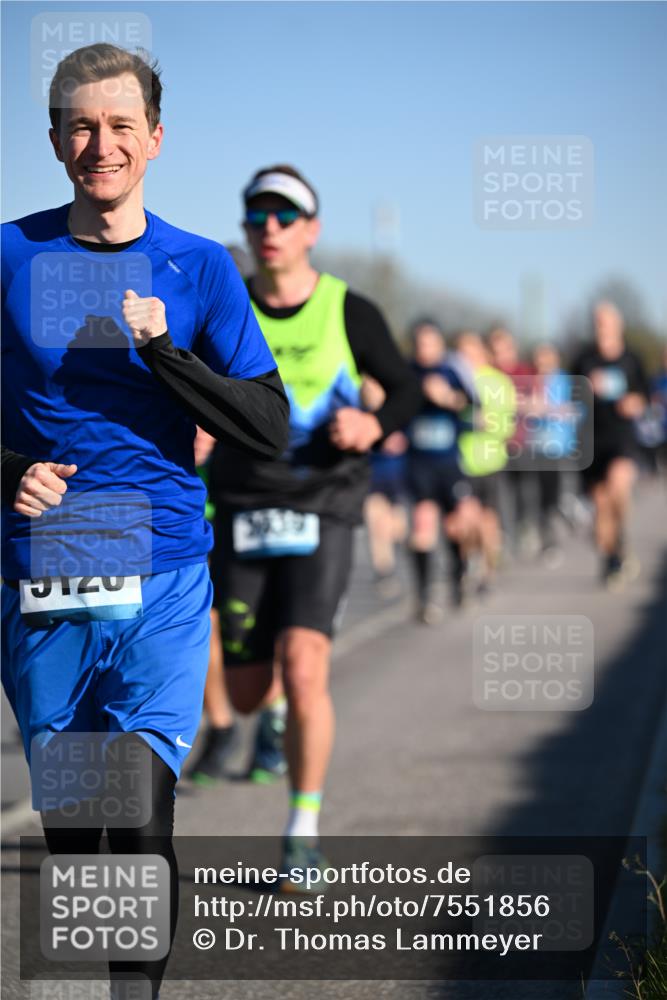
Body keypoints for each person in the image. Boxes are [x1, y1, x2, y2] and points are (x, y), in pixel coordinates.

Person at [1, 44, 288, 999]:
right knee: (77, 832)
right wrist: (9, 472)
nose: (102, 145)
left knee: (137, 811)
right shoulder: (8, 254)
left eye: (122, 126)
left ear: (155, 139)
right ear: (54, 141)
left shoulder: (199, 267)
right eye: (82, 127)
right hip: (40, 575)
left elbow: (267, 422)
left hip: (161, 569)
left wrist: (168, 352)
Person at [204, 164, 420, 884]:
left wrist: (373, 423)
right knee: (243, 691)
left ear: (312, 230)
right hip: (241, 502)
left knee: (304, 666)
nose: (270, 228)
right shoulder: (225, 304)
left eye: (285, 216)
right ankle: (267, 716)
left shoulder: (349, 309)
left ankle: (303, 829)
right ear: (246, 228)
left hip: (321, 499)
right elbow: (183, 384)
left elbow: (409, 388)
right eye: (257, 216)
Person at [405, 320, 479, 619]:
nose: (425, 349)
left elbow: (473, 405)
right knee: (422, 524)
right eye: (420, 343)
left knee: (456, 526)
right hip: (419, 463)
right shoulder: (407, 371)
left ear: (439, 344)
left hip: (449, 462)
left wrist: (447, 397)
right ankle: (424, 597)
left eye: (430, 343)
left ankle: (459, 577)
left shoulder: (453, 370)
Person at [573, 302, 648, 587]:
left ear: (619, 325)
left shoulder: (632, 359)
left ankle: (620, 541)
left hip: (622, 437)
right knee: (601, 506)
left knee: (618, 483)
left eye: (606, 321)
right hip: (593, 439)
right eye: (597, 322)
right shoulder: (584, 359)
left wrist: (634, 402)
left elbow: (644, 396)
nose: (601, 327)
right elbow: (569, 395)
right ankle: (612, 558)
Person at [455, 331, 516, 594]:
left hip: (489, 462)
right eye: (461, 353)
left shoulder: (497, 382)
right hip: (460, 462)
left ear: (483, 353)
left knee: (487, 521)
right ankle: (469, 562)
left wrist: (485, 422)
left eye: (471, 352)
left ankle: (486, 572)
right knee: (466, 520)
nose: (466, 358)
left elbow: (507, 425)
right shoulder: (454, 380)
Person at [488, 326, 537, 553]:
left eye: (504, 349)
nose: (501, 356)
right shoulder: (488, 374)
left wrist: (513, 404)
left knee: (523, 489)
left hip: (521, 441)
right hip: (495, 443)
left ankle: (524, 526)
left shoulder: (525, 372)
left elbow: (536, 405)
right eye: (495, 351)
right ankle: (501, 535)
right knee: (498, 491)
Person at [362, 376, 409, 599]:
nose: (372, 394)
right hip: (373, 477)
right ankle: (384, 572)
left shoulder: (398, 409)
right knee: (377, 525)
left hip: (397, 477)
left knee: (397, 528)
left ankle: (396, 552)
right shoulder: (361, 414)